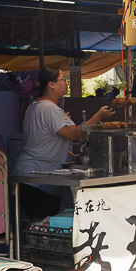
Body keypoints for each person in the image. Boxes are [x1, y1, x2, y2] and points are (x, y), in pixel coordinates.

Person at [13, 67, 114, 219]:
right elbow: (74, 134)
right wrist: (98, 116)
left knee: (33, 228)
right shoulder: (49, 108)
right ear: (51, 84)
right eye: (63, 79)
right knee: (39, 228)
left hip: (31, 176)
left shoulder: (35, 105)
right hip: (39, 178)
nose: (66, 83)